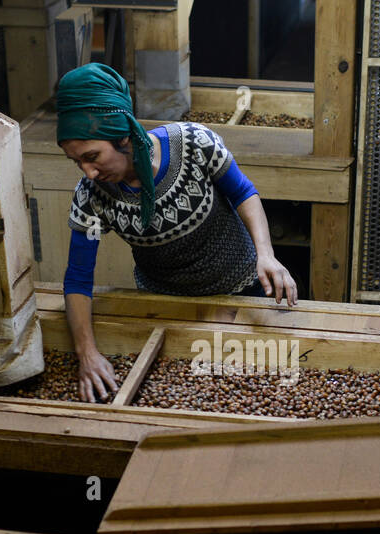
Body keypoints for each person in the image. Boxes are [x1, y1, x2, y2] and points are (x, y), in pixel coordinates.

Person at [55, 63, 298, 402]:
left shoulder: (194, 145)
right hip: (166, 307)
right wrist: (87, 354)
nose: (89, 171)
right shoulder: (94, 198)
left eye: (92, 156)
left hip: (242, 292)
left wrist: (266, 253)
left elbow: (242, 192)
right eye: (77, 162)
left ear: (123, 136)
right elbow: (79, 279)